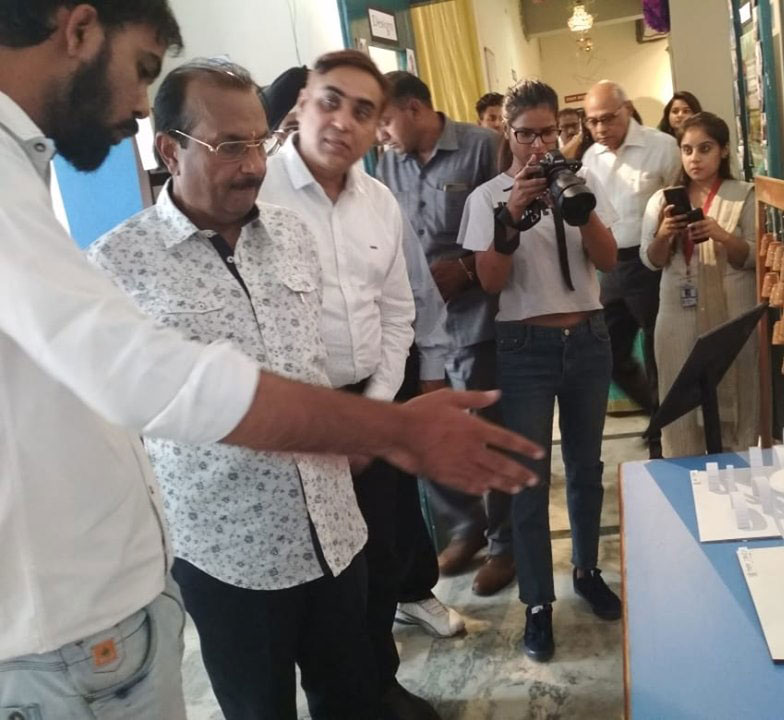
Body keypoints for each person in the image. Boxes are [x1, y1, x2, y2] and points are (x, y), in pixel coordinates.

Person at [0, 3, 542, 718]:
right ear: (170, 152)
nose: (254, 164)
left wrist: (381, 410)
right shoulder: (117, 262)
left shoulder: (291, 235)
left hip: (334, 529)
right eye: (230, 146)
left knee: (355, 693)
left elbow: (341, 340)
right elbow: (158, 387)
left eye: (260, 142)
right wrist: (397, 430)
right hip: (226, 555)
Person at [258, 49, 456, 719]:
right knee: (321, 574)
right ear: (301, 106)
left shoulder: (379, 202)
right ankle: (341, 699)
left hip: (375, 397)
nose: (343, 120)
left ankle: (380, 683)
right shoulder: (257, 197)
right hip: (298, 415)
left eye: (364, 111)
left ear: (378, 128)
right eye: (330, 101)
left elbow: (398, 313)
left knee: (383, 554)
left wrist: (375, 413)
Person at [460, 79, 622, 662]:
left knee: (586, 468)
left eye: (548, 132)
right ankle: (537, 603)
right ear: (508, 133)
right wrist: (511, 215)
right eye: (526, 134)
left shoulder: (583, 180)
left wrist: (577, 208)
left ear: (560, 130)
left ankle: (586, 570)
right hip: (524, 345)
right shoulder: (486, 198)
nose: (538, 145)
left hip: (588, 338)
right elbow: (490, 282)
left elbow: (608, 260)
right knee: (529, 478)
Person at [378, 71, 517, 597]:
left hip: (478, 316)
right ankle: (466, 524)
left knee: (488, 432)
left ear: (414, 109)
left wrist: (464, 269)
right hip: (417, 327)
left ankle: (504, 545)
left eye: (384, 120)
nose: (379, 134)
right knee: (427, 431)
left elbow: (513, 227)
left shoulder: (482, 147)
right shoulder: (387, 162)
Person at [640, 112, 758, 457]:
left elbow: (754, 257)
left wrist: (721, 235)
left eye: (705, 149)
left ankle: (739, 474)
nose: (695, 158)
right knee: (679, 394)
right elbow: (651, 260)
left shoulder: (744, 195)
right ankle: (685, 473)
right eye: (687, 150)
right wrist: (664, 234)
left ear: (723, 150)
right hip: (677, 310)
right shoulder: (662, 200)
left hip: (732, 310)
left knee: (740, 390)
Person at [582, 81, 681, 458]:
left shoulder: (662, 147)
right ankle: (656, 414)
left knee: (659, 354)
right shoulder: (591, 157)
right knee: (607, 353)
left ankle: (663, 439)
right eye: (592, 121)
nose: (600, 128)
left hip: (652, 264)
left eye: (608, 118)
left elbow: (679, 200)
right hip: (609, 266)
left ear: (627, 109)